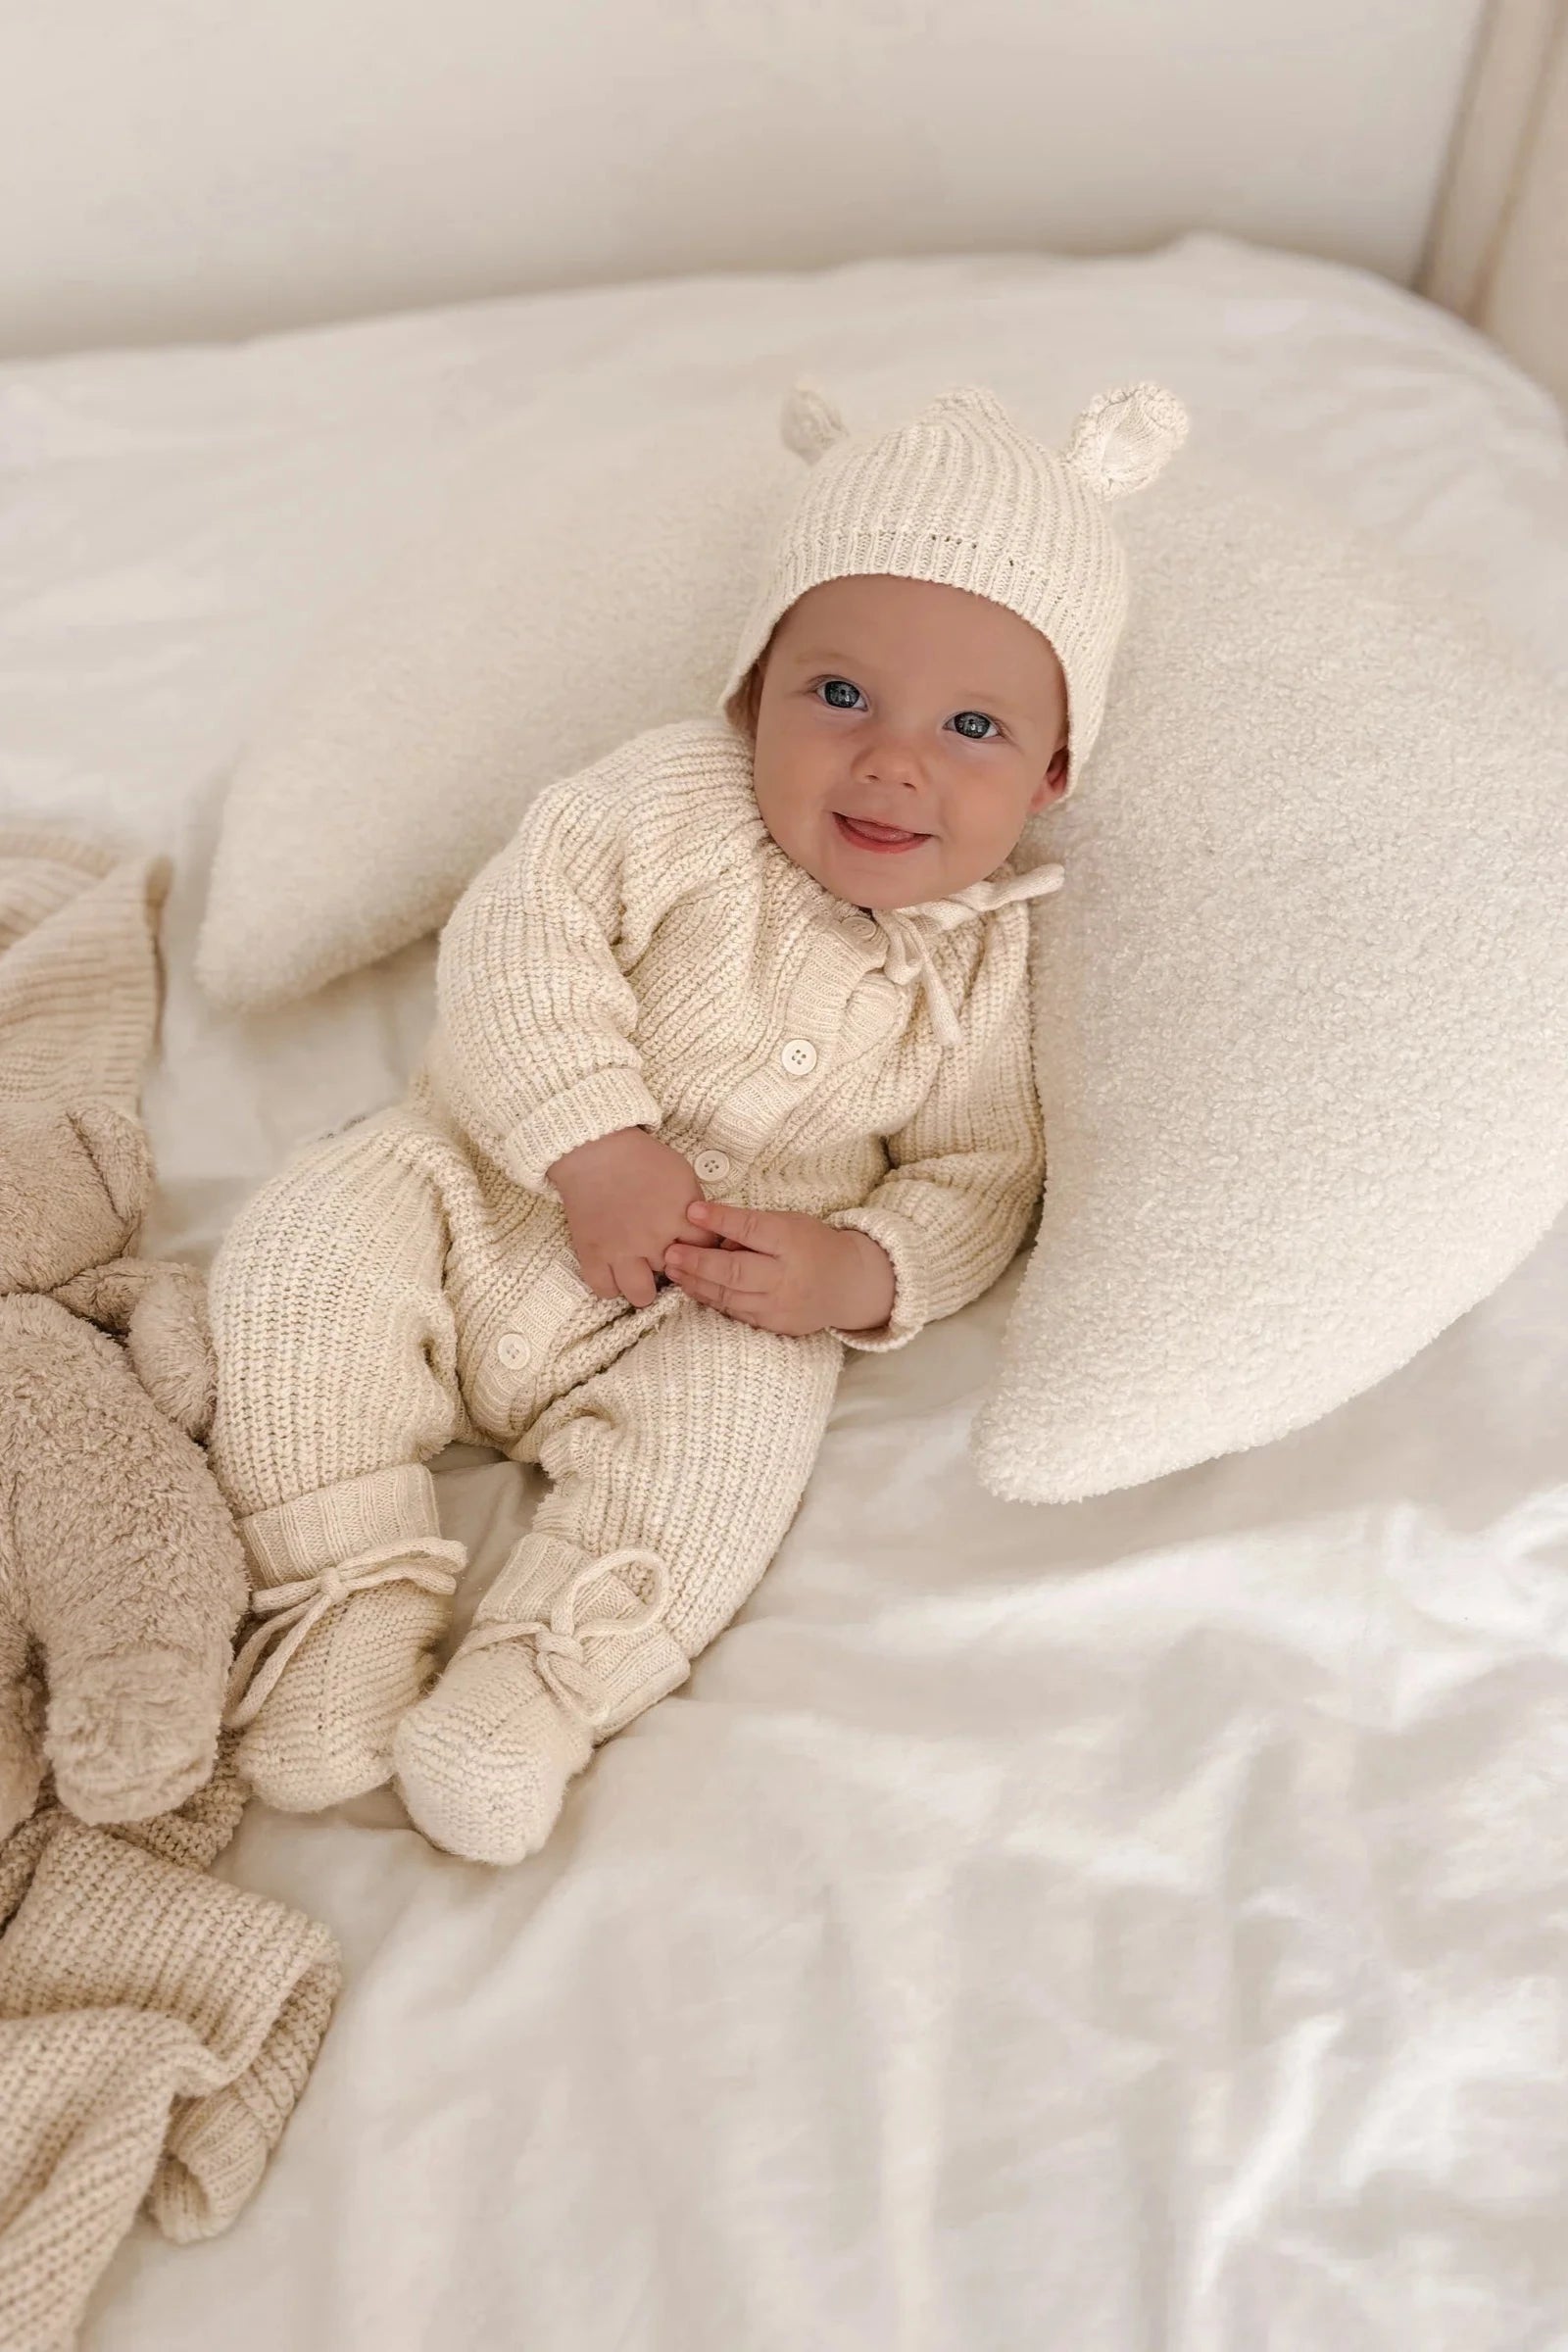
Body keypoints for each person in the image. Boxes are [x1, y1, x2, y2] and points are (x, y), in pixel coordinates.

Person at [209, 375, 1189, 1865]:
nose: (894, 758)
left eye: (974, 726)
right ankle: (345, 1598)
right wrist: (591, 1141)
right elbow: (517, 940)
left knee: (734, 1446)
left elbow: (984, 1175)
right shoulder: (664, 803)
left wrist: (855, 1270)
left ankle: (539, 1679)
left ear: (1054, 777)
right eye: (840, 694)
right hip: (484, 1186)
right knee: (299, 1256)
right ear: (751, 691)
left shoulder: (990, 962)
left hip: (712, 1296)